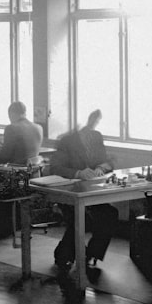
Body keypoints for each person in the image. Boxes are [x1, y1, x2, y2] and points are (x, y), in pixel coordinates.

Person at [49, 109, 118, 271]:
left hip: (90, 190)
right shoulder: (66, 141)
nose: (93, 129)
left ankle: (92, 253)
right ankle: (64, 254)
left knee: (109, 215)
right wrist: (78, 173)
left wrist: (102, 167)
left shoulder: (96, 137)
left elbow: (108, 161)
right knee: (82, 218)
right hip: (70, 191)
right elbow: (56, 168)